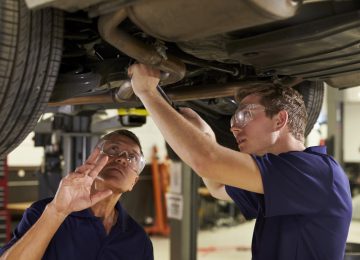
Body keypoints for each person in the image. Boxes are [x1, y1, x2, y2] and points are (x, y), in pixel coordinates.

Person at [128, 64, 352, 260]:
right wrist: (205, 136)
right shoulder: (281, 177)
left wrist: (148, 92)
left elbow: (208, 161)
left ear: (279, 120)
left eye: (244, 115)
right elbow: (218, 187)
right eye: (234, 118)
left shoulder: (316, 172)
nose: (234, 127)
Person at [0, 129, 153, 260]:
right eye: (113, 149)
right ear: (92, 158)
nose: (122, 159)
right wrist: (57, 212)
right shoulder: (43, 213)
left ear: (134, 182)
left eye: (132, 157)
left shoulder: (138, 239)